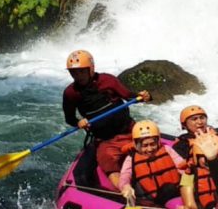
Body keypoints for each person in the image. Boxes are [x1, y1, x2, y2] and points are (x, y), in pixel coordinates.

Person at [62, 49, 151, 188]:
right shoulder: (70, 93)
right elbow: (69, 118)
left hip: (129, 130)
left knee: (151, 148)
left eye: (81, 71)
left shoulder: (107, 80)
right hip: (105, 140)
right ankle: (124, 192)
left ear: (91, 69)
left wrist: (143, 97)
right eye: (73, 73)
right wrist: (78, 122)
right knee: (107, 161)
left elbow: (128, 96)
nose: (78, 76)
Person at [171, 105, 218, 209]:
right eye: (194, 119)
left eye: (202, 118)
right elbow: (191, 205)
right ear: (184, 124)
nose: (200, 122)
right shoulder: (182, 144)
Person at [118, 120, 188, 209]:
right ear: (136, 145)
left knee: (169, 188)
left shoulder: (167, 150)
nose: (149, 149)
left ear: (158, 141)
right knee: (168, 189)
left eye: (152, 144)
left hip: (174, 193)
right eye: (145, 145)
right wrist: (126, 186)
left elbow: (182, 166)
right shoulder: (131, 158)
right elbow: (125, 176)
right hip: (149, 200)